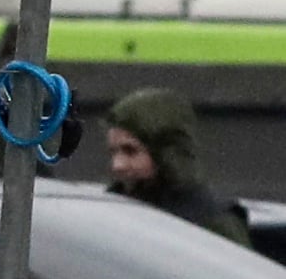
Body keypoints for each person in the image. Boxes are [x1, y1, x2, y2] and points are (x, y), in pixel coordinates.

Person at [101, 89, 255, 250]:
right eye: (113, 152)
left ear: (166, 152)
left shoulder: (212, 220)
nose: (117, 165)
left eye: (131, 151)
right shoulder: (110, 214)